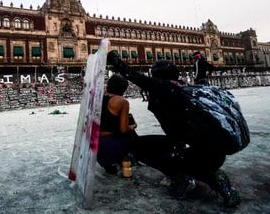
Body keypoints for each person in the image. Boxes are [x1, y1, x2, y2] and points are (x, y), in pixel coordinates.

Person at [106, 51, 241, 207]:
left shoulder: (164, 87)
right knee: (192, 155)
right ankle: (217, 181)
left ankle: (181, 177)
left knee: (137, 146)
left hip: (187, 149)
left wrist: (115, 60)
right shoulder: (185, 88)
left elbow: (134, 76)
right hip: (214, 153)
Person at [97, 74, 138, 174]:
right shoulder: (122, 102)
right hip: (110, 144)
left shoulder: (99, 98)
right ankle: (124, 159)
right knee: (132, 135)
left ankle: (109, 163)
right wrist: (133, 126)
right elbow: (124, 129)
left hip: (97, 144)